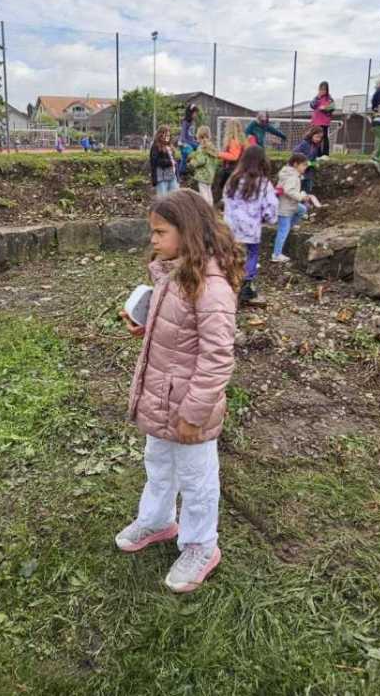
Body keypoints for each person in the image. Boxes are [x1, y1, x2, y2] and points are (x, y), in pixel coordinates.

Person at [115, 190, 241, 594]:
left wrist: (194, 412)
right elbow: (178, 331)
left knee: (197, 478)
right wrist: (146, 325)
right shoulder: (173, 272)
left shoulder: (211, 287)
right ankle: (158, 520)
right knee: (159, 463)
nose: (152, 239)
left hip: (189, 409)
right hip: (161, 399)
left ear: (186, 232)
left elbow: (217, 357)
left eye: (159, 231)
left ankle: (201, 544)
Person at [223, 144, 278, 306]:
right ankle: (246, 286)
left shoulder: (233, 179)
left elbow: (226, 199)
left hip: (231, 228)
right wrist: (268, 219)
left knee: (232, 255)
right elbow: (271, 207)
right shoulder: (263, 184)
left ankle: (229, 283)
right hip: (251, 229)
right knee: (251, 255)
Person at [272, 152, 321, 263]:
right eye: (303, 165)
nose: (305, 167)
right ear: (295, 164)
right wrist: (302, 197)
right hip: (285, 207)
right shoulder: (292, 176)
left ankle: (290, 225)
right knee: (282, 231)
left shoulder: (289, 173)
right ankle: (276, 254)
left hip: (290, 204)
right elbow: (289, 191)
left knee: (302, 209)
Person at [186, 125, 220, 205]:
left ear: (199, 137)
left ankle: (205, 210)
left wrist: (192, 163)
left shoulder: (201, 148)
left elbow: (200, 160)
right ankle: (210, 208)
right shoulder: (212, 147)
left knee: (204, 194)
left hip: (202, 175)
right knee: (208, 192)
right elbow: (215, 160)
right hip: (210, 175)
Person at [214, 119, 245, 202]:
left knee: (226, 188)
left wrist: (219, 154)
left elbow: (234, 156)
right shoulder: (241, 140)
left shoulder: (233, 141)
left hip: (231, 169)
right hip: (239, 168)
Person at [294, 127, 327, 193]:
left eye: (320, 137)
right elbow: (297, 155)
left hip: (309, 173)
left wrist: (318, 161)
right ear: (311, 135)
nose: (318, 139)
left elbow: (313, 159)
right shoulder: (305, 144)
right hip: (300, 172)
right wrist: (314, 163)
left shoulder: (316, 146)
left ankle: (305, 202)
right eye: (317, 137)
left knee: (307, 190)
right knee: (299, 190)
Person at [150, 127, 178, 197]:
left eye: (169, 135)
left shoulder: (169, 146)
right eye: (166, 135)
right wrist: (169, 162)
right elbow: (155, 161)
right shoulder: (155, 146)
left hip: (172, 176)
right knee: (163, 200)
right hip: (161, 177)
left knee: (175, 197)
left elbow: (173, 161)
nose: (167, 137)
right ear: (160, 135)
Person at [309, 81, 334, 156]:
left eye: (324, 89)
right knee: (317, 137)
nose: (322, 91)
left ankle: (325, 154)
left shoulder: (329, 99)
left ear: (327, 90)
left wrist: (325, 108)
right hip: (316, 121)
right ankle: (317, 153)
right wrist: (318, 97)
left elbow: (332, 107)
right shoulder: (316, 98)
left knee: (325, 137)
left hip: (324, 122)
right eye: (321, 89)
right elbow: (312, 105)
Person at [178, 103, 200, 175]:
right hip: (185, 143)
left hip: (190, 142)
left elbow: (192, 135)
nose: (196, 115)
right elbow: (183, 136)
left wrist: (196, 140)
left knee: (184, 158)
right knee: (186, 155)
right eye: (195, 113)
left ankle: (182, 169)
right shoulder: (185, 122)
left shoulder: (193, 122)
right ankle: (181, 171)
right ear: (190, 113)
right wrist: (191, 143)